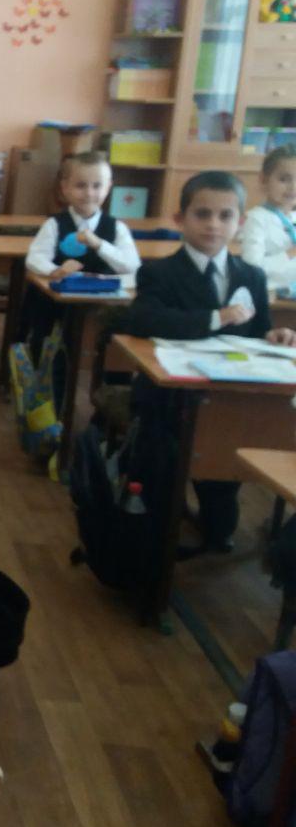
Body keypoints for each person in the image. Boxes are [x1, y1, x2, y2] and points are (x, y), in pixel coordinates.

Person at [126, 171, 296, 552]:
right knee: (164, 466)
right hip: (168, 399)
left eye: (225, 216)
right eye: (202, 214)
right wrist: (215, 318)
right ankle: (155, 531)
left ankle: (214, 524)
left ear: (241, 222)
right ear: (180, 219)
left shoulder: (251, 275)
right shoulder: (159, 272)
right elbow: (144, 319)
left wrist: (275, 336)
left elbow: (258, 330)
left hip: (230, 397)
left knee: (222, 467)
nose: (213, 225)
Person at [21, 151, 140, 363]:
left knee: (117, 326)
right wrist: (54, 270)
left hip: (101, 302)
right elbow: (35, 258)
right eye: (80, 186)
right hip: (58, 303)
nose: (89, 193)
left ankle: (104, 370)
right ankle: (48, 368)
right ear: (65, 188)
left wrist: (100, 244)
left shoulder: (116, 227)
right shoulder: (54, 224)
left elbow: (132, 265)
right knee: (46, 326)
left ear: (108, 187)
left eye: (97, 186)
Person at [240, 143, 296, 290]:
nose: (293, 187)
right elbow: (251, 267)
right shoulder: (256, 219)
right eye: (284, 179)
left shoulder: (293, 217)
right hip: (271, 294)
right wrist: (290, 254)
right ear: (264, 180)